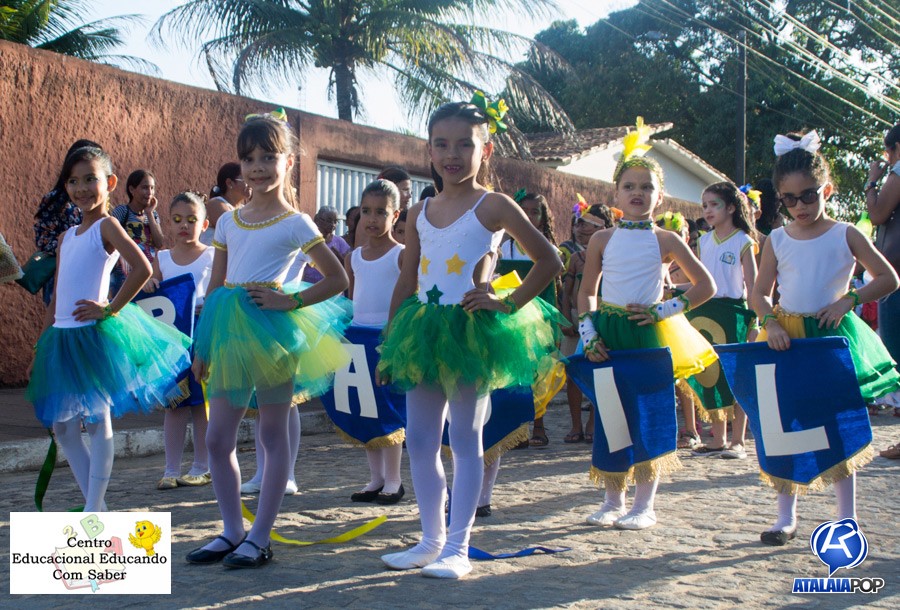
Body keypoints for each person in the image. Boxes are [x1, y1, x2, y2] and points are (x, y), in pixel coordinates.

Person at [376, 96, 563, 579]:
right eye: (441, 144)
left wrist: (508, 303)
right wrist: (390, 342)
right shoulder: (419, 211)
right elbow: (407, 279)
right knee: (420, 440)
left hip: (469, 332)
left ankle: (458, 547)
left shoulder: (493, 205)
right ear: (429, 150)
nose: (452, 154)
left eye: (464, 144)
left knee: (464, 437)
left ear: (486, 149)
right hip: (421, 330)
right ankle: (430, 539)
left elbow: (549, 260)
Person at [186, 112, 351, 569]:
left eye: (268, 157)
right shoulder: (228, 222)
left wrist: (289, 302)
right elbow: (216, 287)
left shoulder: (296, 222)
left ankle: (260, 536)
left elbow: (337, 279)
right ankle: (232, 530)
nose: (257, 167)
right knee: (217, 438)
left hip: (273, 332)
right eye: (249, 158)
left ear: (289, 162)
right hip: (227, 332)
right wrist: (202, 346)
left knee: (272, 433)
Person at [750, 130, 900, 545]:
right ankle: (785, 516)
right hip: (786, 338)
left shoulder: (846, 233)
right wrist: (770, 323)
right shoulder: (777, 239)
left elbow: (888, 277)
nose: (800, 206)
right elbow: (759, 293)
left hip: (831, 336)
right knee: (784, 425)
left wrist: (848, 301)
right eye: (789, 199)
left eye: (809, 195)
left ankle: (846, 518)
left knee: (837, 425)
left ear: (827, 190)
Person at [26, 146, 191, 512]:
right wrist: (41, 345)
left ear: (110, 182)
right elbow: (57, 295)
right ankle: (95, 506)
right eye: (73, 181)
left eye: (90, 179)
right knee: (64, 428)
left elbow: (142, 268)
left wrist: (110, 308)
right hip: (60, 339)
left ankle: (94, 505)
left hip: (91, 335)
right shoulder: (66, 237)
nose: (81, 188)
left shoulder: (107, 226)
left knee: (97, 420)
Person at [577, 118, 717, 531]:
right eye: (629, 186)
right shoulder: (601, 239)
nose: (637, 192)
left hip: (649, 333)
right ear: (616, 193)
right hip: (608, 334)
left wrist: (663, 310)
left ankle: (644, 505)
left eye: (646, 187)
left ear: (660, 196)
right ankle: (612, 499)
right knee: (611, 414)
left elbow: (705, 286)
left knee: (650, 414)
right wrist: (588, 333)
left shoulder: (667, 240)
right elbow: (587, 292)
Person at [143, 192, 215, 490]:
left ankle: (202, 466)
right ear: (169, 223)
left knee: (200, 404)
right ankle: (170, 468)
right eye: (177, 219)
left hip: (202, 336)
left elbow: (222, 289)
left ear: (204, 224)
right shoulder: (161, 258)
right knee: (174, 404)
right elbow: (152, 292)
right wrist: (150, 283)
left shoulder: (212, 256)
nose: (184, 225)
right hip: (171, 342)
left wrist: (208, 304)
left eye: (191, 219)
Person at [343, 179, 406, 504]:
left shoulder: (401, 256)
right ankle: (376, 477)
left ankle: (394, 479)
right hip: (358, 338)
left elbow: (407, 299)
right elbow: (352, 299)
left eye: (381, 212)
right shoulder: (353, 258)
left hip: (387, 339)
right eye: (366, 211)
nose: (372, 219)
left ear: (395, 216)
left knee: (388, 407)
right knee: (365, 408)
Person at [686, 182, 759, 459]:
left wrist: (755, 321)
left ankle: (738, 441)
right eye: (704, 205)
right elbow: (698, 282)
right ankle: (718, 439)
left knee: (737, 376)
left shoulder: (743, 241)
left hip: (735, 314)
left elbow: (753, 286)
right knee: (711, 375)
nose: (707, 210)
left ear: (730, 207)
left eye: (714, 204)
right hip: (705, 312)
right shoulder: (703, 242)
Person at [499, 190, 559, 447]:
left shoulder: (548, 249)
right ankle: (518, 429)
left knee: (538, 371)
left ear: (543, 217)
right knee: (514, 372)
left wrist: (551, 322)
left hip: (538, 317)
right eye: (524, 211)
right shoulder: (506, 248)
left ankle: (539, 425)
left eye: (535, 212)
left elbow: (550, 291)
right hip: (512, 316)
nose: (529, 217)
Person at [560, 201, 612, 444]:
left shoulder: (614, 256)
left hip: (604, 315)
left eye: (588, 224)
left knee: (600, 372)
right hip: (576, 316)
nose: (581, 229)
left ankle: (593, 422)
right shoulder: (576, 258)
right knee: (573, 371)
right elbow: (567, 291)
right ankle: (575, 424)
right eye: (579, 223)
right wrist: (565, 317)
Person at [867, 122, 900, 456]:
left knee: (898, 353)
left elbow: (877, 215)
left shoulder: (898, 173)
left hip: (898, 277)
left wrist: (873, 181)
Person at [33, 139, 101, 304]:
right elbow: (43, 240)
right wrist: (73, 247)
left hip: (93, 277)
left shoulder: (99, 205)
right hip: (62, 275)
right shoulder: (55, 199)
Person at [110, 170, 165, 294]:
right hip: (125, 275)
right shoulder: (122, 212)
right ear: (132, 189)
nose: (149, 192)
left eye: (152, 188)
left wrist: (149, 214)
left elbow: (159, 243)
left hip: (148, 274)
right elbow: (109, 238)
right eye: (145, 188)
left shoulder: (153, 215)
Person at [202, 162, 251, 245]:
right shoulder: (215, 204)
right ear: (229, 183)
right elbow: (235, 232)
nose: (251, 184)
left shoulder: (244, 209)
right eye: (246, 180)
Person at [302, 206, 351, 284]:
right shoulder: (307, 241)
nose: (333, 225)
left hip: (331, 287)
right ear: (317, 220)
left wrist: (339, 258)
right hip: (307, 286)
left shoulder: (339, 242)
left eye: (335, 221)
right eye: (329, 221)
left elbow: (350, 268)